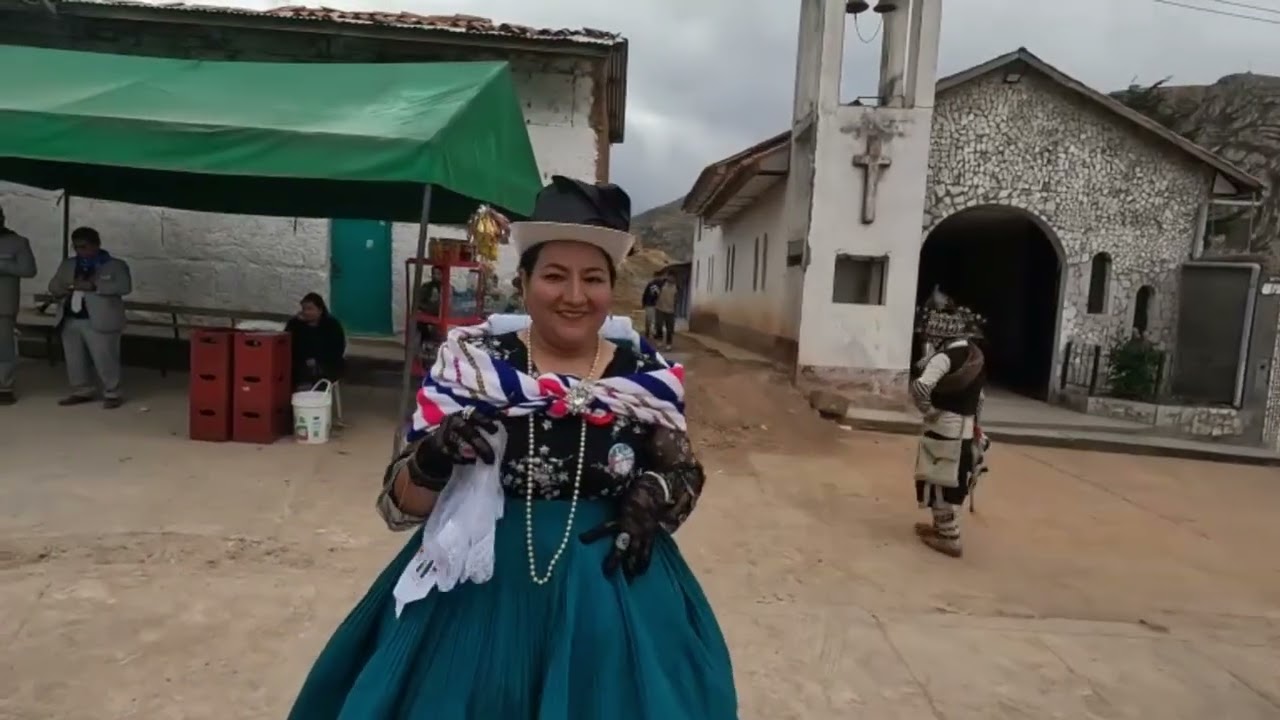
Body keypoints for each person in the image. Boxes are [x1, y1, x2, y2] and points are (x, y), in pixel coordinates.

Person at [287, 175, 738, 719]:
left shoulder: (644, 377)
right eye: (554, 276)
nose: (574, 296)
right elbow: (397, 507)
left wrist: (656, 491)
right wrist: (432, 457)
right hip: (475, 598)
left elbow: (685, 472)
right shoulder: (473, 366)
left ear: (610, 288)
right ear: (523, 282)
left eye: (592, 278)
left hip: (610, 603)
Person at [909, 287, 988, 558]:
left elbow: (920, 388)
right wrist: (977, 427)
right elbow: (980, 399)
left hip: (944, 427)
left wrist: (928, 411)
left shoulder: (943, 358)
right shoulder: (973, 355)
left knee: (938, 480)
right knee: (952, 479)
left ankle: (949, 537)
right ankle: (941, 529)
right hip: (965, 429)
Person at [47, 226, 132, 409]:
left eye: (84, 246)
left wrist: (95, 287)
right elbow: (54, 285)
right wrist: (64, 287)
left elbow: (125, 287)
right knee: (74, 357)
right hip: (70, 317)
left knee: (105, 357)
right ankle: (81, 390)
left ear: (96, 245)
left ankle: (112, 392)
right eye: (76, 247)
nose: (80, 251)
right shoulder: (69, 264)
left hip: (101, 318)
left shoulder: (115, 265)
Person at [0, 204, 37, 406]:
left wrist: (3, 265)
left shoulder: (18, 242)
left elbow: (29, 270)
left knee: (3, 348)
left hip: (3, 305)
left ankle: (4, 386)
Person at [285, 292, 346, 390]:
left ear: (320, 310)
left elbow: (337, 349)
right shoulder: (295, 324)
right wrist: (298, 324)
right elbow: (288, 345)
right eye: (304, 309)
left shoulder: (332, 325)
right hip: (301, 363)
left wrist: (317, 360)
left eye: (310, 309)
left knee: (316, 374)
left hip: (327, 363)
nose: (306, 312)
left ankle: (312, 398)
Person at [654, 270, 678, 351]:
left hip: (670, 310)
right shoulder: (661, 284)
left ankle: (669, 344)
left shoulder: (677, 286)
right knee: (659, 325)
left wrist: (675, 308)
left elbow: (677, 299)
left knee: (670, 329)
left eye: (672, 277)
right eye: (669, 276)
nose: (670, 278)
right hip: (660, 308)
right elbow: (655, 292)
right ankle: (659, 340)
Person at [640, 271, 664, 337]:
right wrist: (644, 303)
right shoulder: (651, 284)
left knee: (655, 320)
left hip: (656, 305)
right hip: (650, 304)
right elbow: (645, 294)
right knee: (649, 319)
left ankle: (653, 332)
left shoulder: (662, 284)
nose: (657, 278)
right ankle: (648, 331)